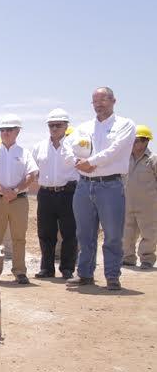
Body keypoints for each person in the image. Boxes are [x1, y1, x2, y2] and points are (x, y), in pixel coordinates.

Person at [67, 87, 136, 290]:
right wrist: (78, 162)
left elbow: (114, 151)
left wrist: (92, 162)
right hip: (84, 185)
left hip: (111, 186)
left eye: (103, 100)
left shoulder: (125, 125)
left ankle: (112, 275)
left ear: (114, 100)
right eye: (95, 101)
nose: (99, 104)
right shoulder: (84, 127)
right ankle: (85, 274)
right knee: (84, 233)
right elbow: (72, 149)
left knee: (113, 233)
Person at [0, 115, 39, 283]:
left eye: (9, 130)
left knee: (19, 237)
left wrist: (15, 190)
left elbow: (31, 174)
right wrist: (3, 190)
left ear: (17, 132)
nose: (5, 133)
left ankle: (20, 271)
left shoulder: (24, 153)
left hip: (18, 200)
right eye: (2, 130)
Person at [32, 108, 79, 279]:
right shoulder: (39, 147)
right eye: (51, 125)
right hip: (45, 194)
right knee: (45, 233)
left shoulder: (75, 146)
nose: (54, 128)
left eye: (58, 125)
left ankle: (67, 268)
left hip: (69, 193)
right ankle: (47, 268)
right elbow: (34, 170)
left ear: (66, 126)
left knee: (69, 233)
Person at [122, 125, 157, 269]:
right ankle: (128, 257)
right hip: (127, 202)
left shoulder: (153, 159)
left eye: (136, 141)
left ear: (145, 142)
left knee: (149, 232)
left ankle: (147, 259)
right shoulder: (124, 159)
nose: (132, 144)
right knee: (126, 232)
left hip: (148, 204)